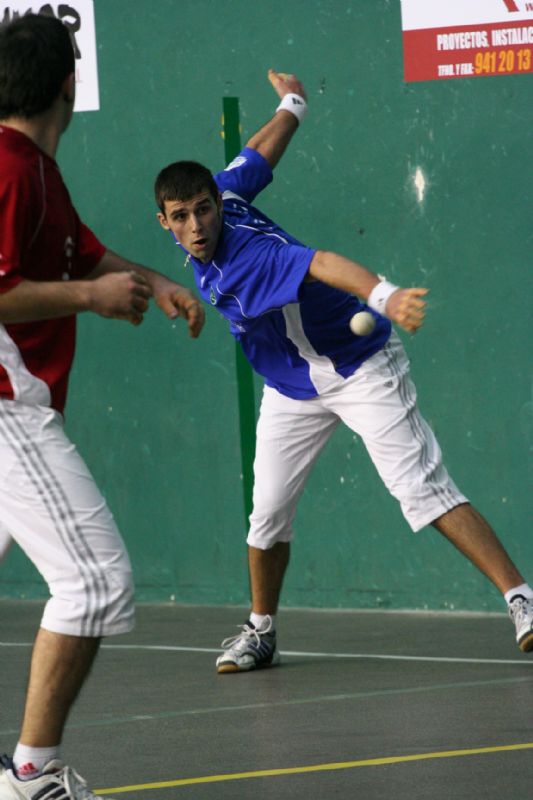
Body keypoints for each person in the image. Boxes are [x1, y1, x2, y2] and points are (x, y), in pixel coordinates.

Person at [154, 68, 533, 674]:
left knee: (421, 489)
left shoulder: (246, 258)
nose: (198, 225)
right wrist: (294, 104)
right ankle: (261, 632)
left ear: (213, 205)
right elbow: (259, 154)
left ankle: (522, 600)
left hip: (360, 367)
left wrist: (382, 297)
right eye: (182, 216)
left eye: (204, 210)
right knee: (267, 514)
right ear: (165, 222)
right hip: (292, 386)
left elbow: (323, 261)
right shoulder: (227, 194)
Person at [0, 14, 204, 800]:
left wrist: (160, 284)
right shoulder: (10, 168)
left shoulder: (37, 172)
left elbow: (83, 253)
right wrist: (90, 298)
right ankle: (33, 774)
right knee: (93, 580)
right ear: (67, 85)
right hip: (9, 404)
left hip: (21, 400)